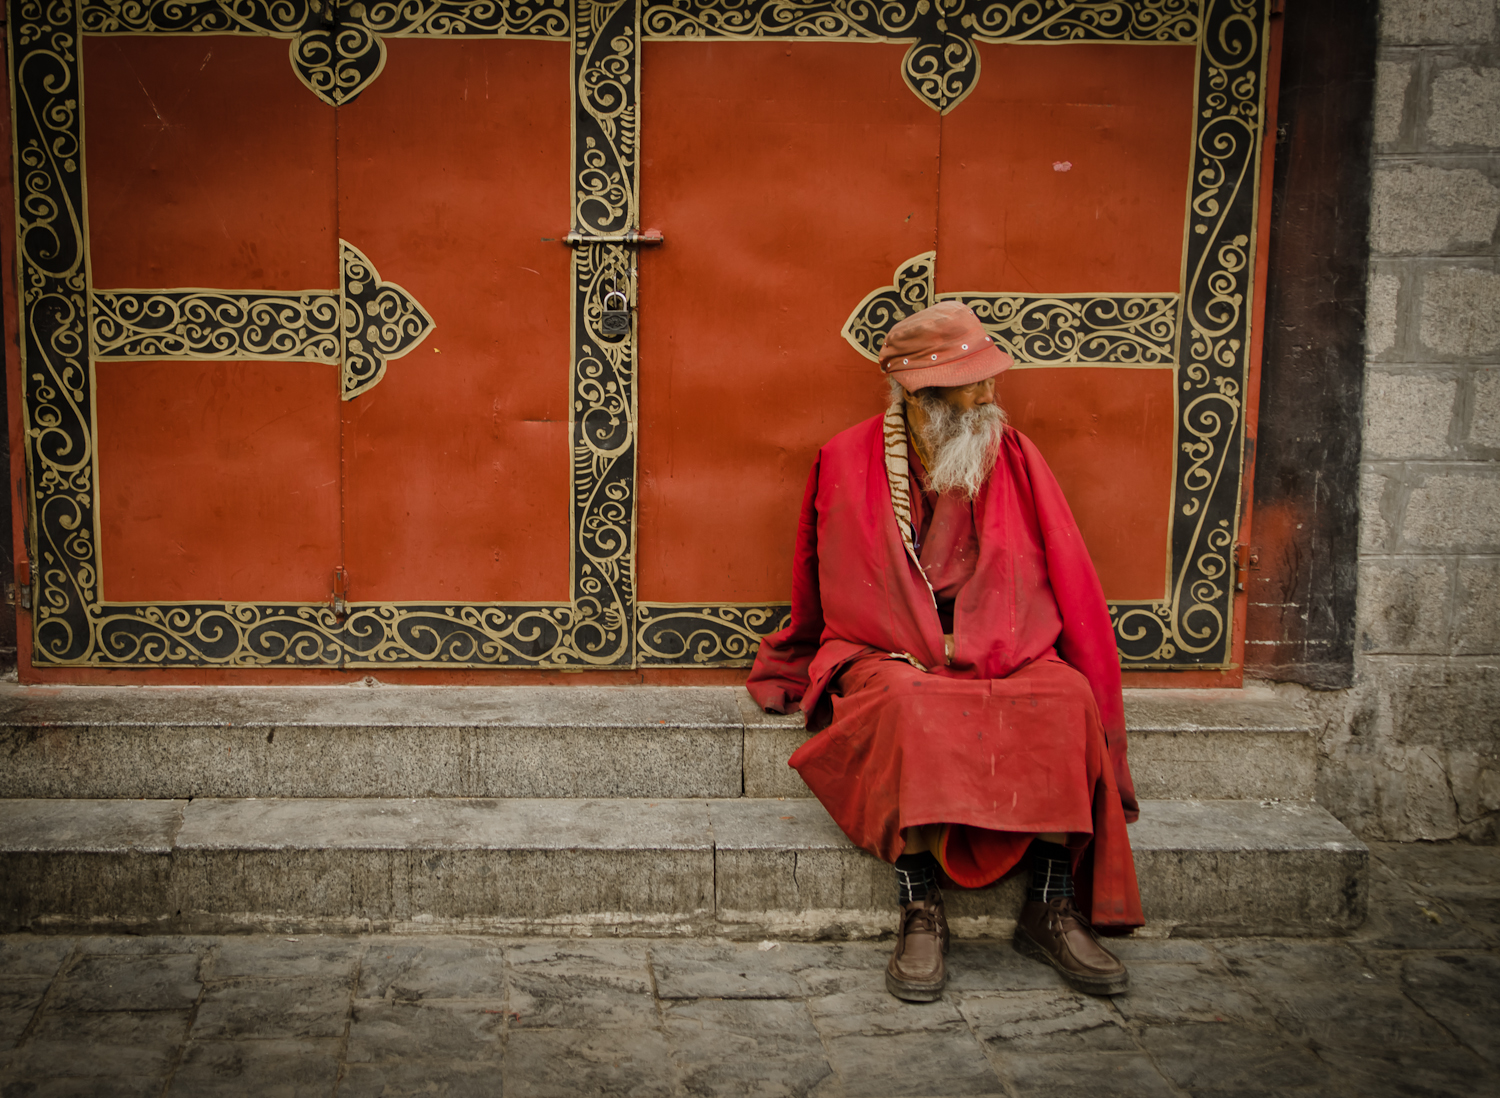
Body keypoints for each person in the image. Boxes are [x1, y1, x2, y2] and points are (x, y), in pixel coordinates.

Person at [747, 301, 1142, 1002]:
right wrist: (931, 643)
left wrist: (981, 640)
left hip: (1007, 638)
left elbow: (1043, 570)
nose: (990, 391)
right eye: (972, 381)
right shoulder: (847, 457)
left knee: (1064, 696)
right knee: (908, 703)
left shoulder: (1011, 452)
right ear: (921, 392)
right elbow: (846, 582)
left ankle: (1051, 904)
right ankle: (919, 902)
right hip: (890, 645)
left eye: (988, 376)